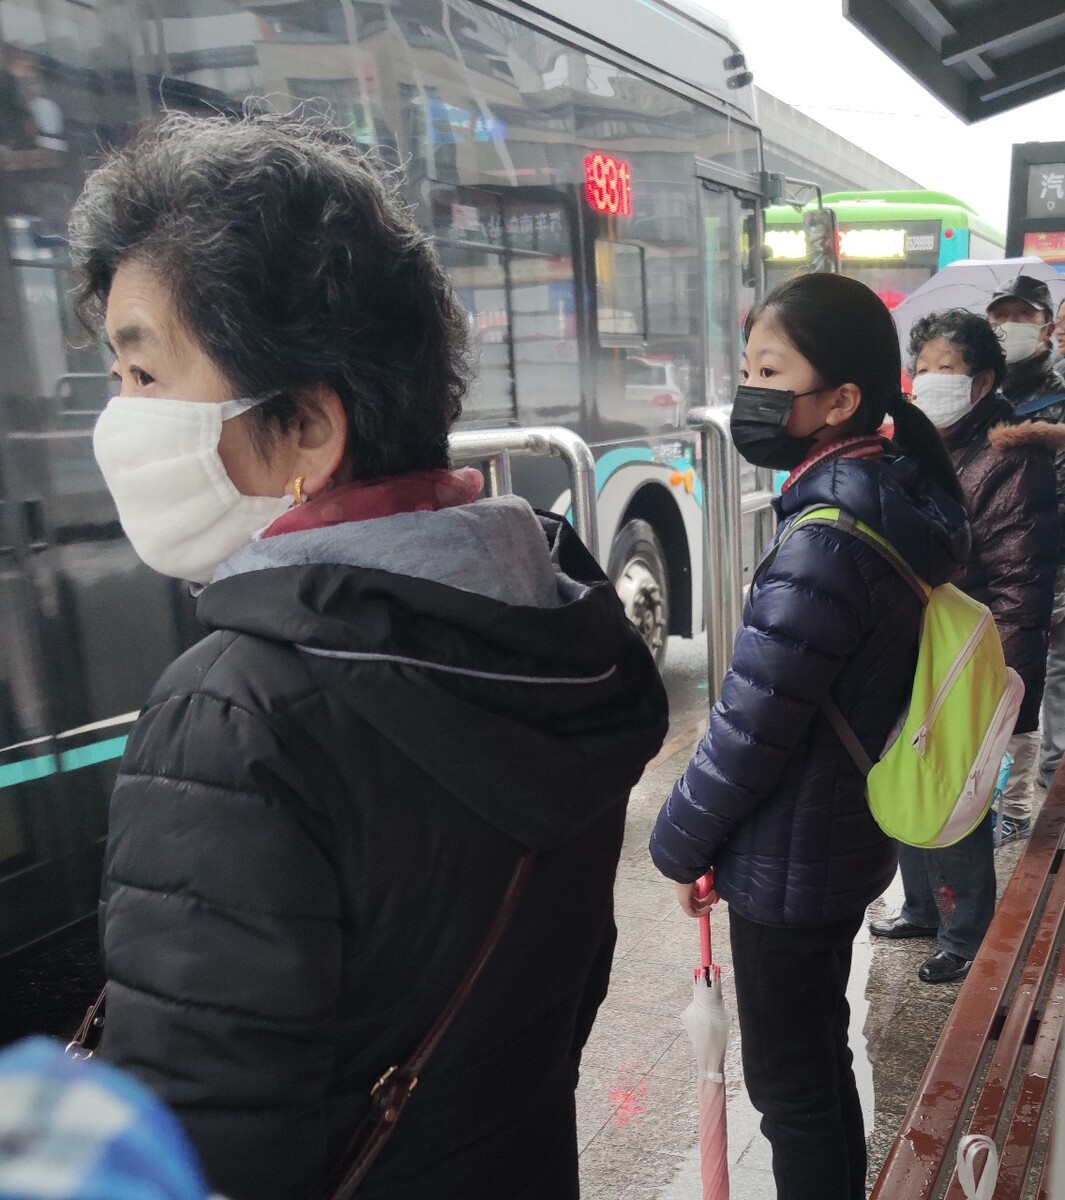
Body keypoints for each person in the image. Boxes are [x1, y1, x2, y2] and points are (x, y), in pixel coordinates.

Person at [68, 110, 669, 1200]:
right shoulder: (555, 629)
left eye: (146, 377)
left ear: (305, 429)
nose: (119, 420)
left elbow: (201, 1154)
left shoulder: (237, 713)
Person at [649, 273, 969, 1200]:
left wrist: (679, 843)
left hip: (791, 856)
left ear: (840, 400)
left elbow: (751, 724)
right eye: (746, 366)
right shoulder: (885, 499)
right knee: (816, 1066)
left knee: (787, 1084)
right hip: (836, 837)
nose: (750, 390)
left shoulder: (823, 538)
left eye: (770, 371)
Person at [870, 310, 1060, 985]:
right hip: (916, 647)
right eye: (922, 368)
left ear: (981, 381)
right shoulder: (917, 444)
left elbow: (1021, 585)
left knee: (957, 796)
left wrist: (1005, 688)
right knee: (906, 771)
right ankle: (919, 906)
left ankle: (963, 929)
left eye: (946, 371)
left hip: (970, 657)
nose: (931, 382)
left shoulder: (1011, 456)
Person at [986, 276, 1065, 791]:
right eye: (1000, 318)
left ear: (1046, 329)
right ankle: (993, 788)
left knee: (1051, 668)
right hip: (994, 561)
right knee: (1002, 670)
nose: (1009, 327)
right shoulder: (981, 394)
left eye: (1022, 317)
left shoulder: (1057, 398)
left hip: (1051, 556)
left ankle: (1047, 783)